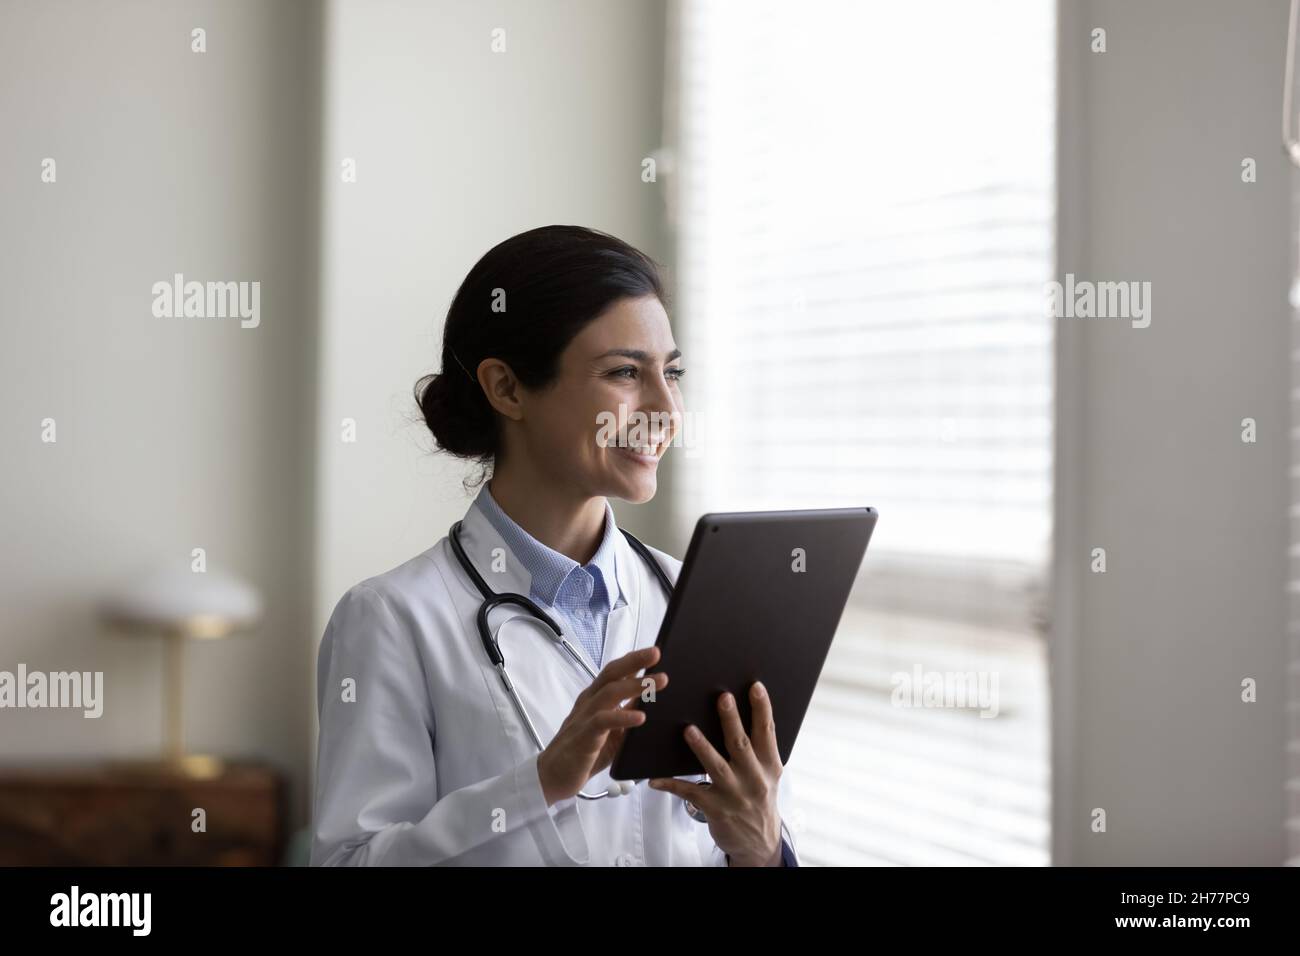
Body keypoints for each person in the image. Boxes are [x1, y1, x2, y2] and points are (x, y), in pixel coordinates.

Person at [310, 224, 799, 866]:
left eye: (671, 373)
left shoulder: (702, 601)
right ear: (507, 388)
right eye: (624, 372)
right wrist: (537, 784)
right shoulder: (392, 619)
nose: (665, 409)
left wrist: (761, 849)